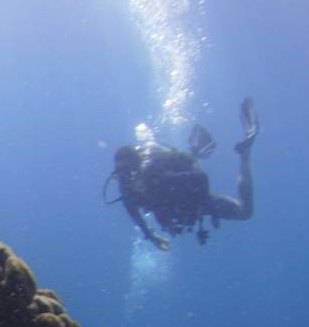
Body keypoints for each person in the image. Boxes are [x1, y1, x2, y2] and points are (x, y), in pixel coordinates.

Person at [107, 97, 258, 249]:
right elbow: (133, 213)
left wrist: (198, 205)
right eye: (121, 173)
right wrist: (151, 235)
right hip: (180, 209)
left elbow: (201, 178)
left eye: (128, 171)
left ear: (138, 167)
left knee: (245, 211)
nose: (125, 177)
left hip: (196, 201)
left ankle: (244, 154)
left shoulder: (156, 175)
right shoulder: (126, 188)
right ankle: (234, 153)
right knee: (244, 212)